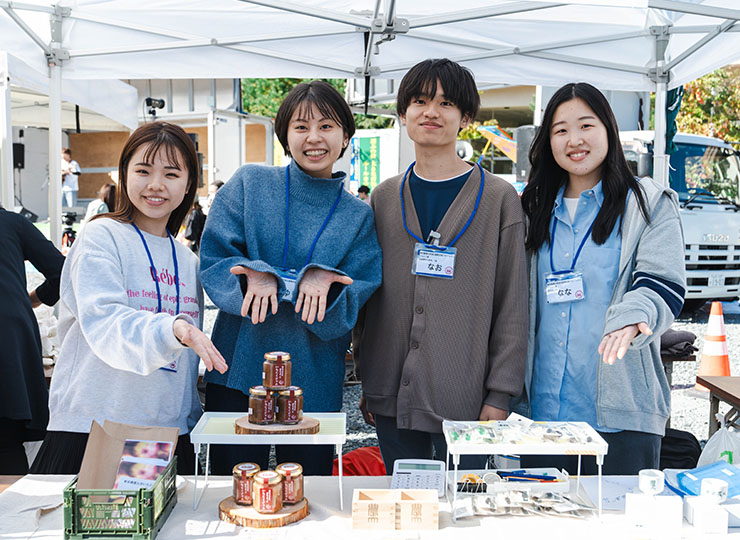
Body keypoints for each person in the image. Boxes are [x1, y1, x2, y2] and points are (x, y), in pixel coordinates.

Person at [200, 81, 382, 475]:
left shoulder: (358, 216)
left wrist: (319, 284)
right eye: (300, 127)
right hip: (238, 367)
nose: (314, 138)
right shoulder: (249, 183)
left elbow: (357, 294)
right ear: (285, 135)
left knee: (305, 495)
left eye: (327, 125)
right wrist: (263, 278)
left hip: (313, 375)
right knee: (231, 490)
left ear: (346, 135)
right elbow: (214, 259)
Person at [355, 59, 528, 472]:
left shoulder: (499, 200)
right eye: (419, 100)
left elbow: (513, 305)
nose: (431, 111)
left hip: (468, 400)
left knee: (467, 506)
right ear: (402, 113)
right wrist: (371, 380)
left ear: (465, 117)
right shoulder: (383, 197)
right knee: (408, 507)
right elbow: (371, 297)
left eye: (446, 102)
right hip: (391, 392)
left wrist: (500, 394)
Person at [31, 122, 228, 475]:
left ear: (188, 185)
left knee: (160, 529)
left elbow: (181, 369)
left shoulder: (188, 261)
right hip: (94, 427)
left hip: (163, 433)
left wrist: (189, 418)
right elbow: (106, 322)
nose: (156, 184)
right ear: (124, 175)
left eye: (171, 173)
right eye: (143, 170)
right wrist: (175, 329)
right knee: (90, 528)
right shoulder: (100, 237)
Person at [517, 82, 685, 475]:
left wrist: (634, 315)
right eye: (560, 130)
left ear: (608, 129)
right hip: (540, 417)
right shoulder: (532, 209)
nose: (574, 139)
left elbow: (661, 280)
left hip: (621, 415)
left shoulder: (647, 203)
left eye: (586, 125)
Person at [0, 207, 64, 474]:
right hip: (8, 340)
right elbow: (66, 272)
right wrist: (32, 299)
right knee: (6, 440)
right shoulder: (10, 223)